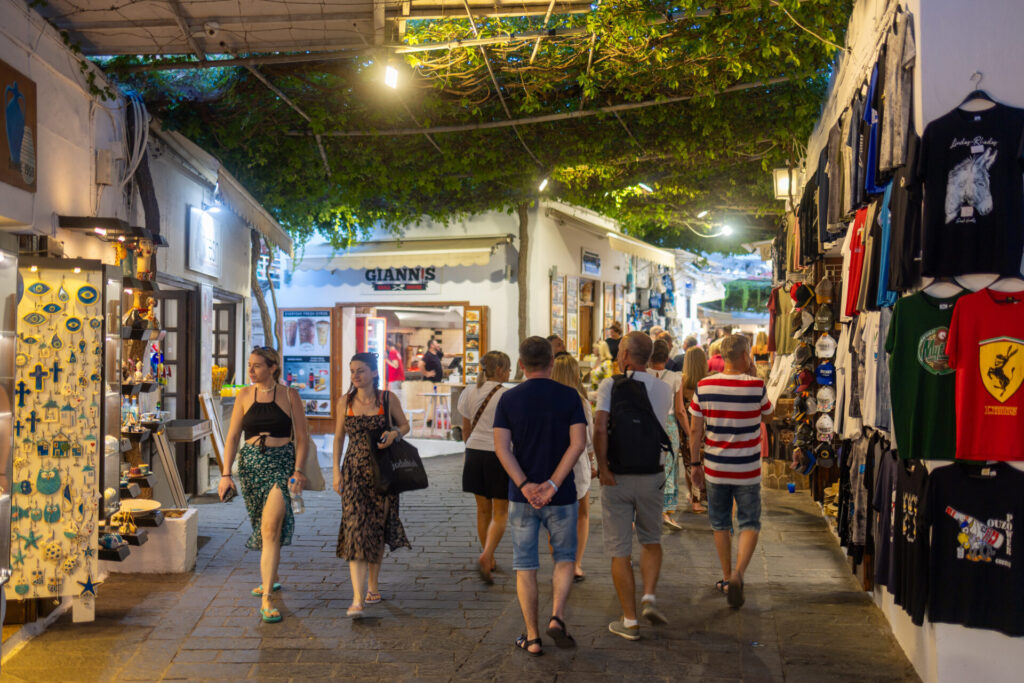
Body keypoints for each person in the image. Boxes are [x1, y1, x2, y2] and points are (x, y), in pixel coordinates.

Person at [493, 337, 587, 656]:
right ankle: (557, 616)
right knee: (564, 558)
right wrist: (553, 484)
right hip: (561, 496)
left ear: (521, 364)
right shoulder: (569, 396)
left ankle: (532, 637)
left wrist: (525, 485)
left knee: (525, 565)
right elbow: (578, 444)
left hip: (522, 498)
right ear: (551, 362)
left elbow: (501, 448)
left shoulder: (509, 399)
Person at [220, 347, 311, 624]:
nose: (251, 371)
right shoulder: (244, 395)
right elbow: (233, 435)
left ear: (273, 367)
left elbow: (303, 438)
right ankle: (272, 576)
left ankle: (267, 599)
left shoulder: (289, 395)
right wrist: (226, 474)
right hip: (250, 466)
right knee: (262, 524)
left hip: (281, 464)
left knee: (270, 527)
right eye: (250, 365)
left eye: (257, 366)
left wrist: (298, 470)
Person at [594, 332, 674, 640]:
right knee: (651, 540)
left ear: (626, 354)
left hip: (617, 476)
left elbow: (601, 427)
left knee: (620, 551)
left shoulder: (610, 385)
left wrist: (602, 468)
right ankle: (649, 596)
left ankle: (629, 621)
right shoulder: (664, 388)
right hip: (653, 474)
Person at [687, 335, 773, 609]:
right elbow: (768, 415)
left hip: (715, 468)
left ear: (723, 356)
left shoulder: (704, 385)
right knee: (749, 522)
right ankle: (738, 574)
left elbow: (695, 431)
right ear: (746, 355)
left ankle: (726, 577)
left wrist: (694, 465)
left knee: (720, 523)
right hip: (747, 468)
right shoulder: (756, 386)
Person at [333, 352, 412, 618]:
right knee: (356, 529)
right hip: (353, 471)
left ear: (374, 373)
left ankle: (373, 586)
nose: (355, 376)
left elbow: (405, 425)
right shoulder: (345, 401)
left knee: (377, 526)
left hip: (383, 473)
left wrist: (394, 433)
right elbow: (338, 438)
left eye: (361, 371)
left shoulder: (387, 399)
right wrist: (336, 471)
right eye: (352, 371)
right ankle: (357, 598)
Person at [458, 351, 513, 584]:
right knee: (500, 511)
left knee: (482, 510)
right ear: (500, 370)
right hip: (498, 455)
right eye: (508, 369)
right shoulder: (507, 395)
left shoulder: (469, 391)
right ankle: (488, 554)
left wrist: (471, 448)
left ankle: (487, 556)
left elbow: (465, 428)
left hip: (474, 453)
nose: (509, 373)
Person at [551, 353, 598, 583]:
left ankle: (559, 563)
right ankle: (576, 564)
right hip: (577, 465)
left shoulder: (544, 398)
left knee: (554, 517)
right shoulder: (580, 400)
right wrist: (593, 462)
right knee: (582, 514)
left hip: (549, 464)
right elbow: (588, 439)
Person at [648, 339, 686, 530]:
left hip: (647, 425)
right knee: (668, 467)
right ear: (667, 355)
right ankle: (663, 511)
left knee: (648, 466)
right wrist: (689, 431)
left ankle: (647, 509)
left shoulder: (641, 376)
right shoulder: (675, 377)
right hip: (668, 424)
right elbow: (680, 410)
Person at [678, 346, 709, 513]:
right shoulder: (708, 380)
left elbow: (679, 408)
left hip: (686, 428)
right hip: (705, 426)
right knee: (702, 463)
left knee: (690, 463)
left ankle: (694, 497)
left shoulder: (682, 380)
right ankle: (699, 498)